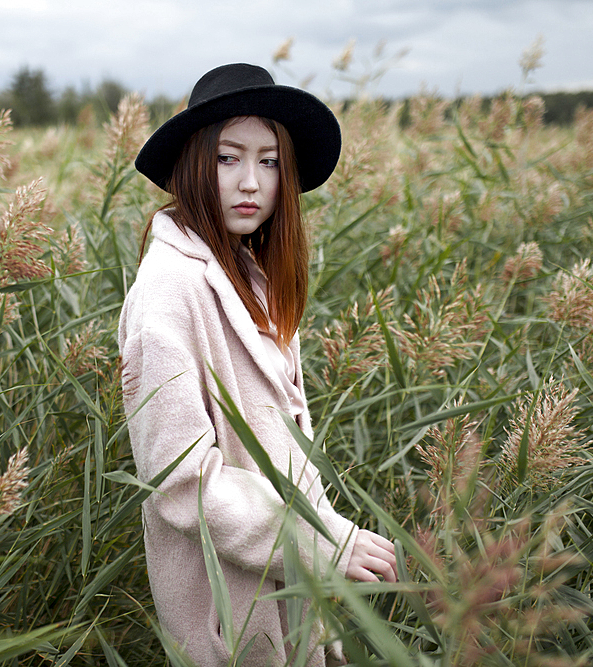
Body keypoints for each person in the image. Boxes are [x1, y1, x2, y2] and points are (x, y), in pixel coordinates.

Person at [118, 63, 397, 667]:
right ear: (192, 163)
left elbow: (285, 442)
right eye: (228, 158)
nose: (251, 182)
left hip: (290, 602)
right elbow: (180, 482)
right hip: (230, 618)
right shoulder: (168, 290)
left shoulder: (250, 274)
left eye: (269, 161)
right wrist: (320, 542)